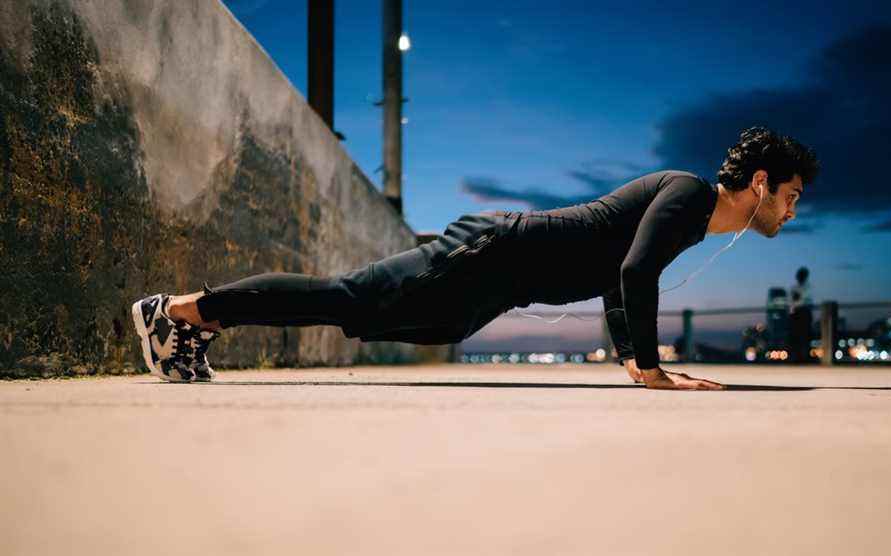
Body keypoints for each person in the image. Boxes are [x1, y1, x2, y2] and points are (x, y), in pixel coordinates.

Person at [132, 126, 818, 389]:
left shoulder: (692, 217)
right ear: (759, 185)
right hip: (490, 252)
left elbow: (620, 275)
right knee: (348, 298)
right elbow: (633, 273)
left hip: (495, 285)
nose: (790, 211)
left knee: (386, 320)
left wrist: (629, 357)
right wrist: (649, 368)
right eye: (789, 196)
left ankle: (193, 325)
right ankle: (183, 311)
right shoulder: (689, 192)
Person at [787, 266, 814, 363]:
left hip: (804, 313)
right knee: (795, 337)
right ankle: (795, 358)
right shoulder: (794, 288)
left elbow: (804, 301)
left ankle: (805, 358)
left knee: (805, 337)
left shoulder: (808, 288)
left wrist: (797, 300)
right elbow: (792, 301)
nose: (800, 277)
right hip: (795, 314)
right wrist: (798, 301)